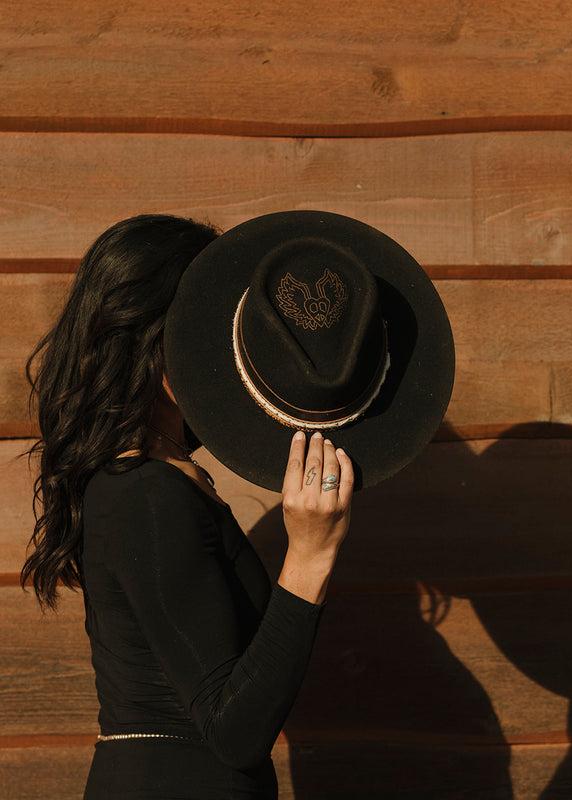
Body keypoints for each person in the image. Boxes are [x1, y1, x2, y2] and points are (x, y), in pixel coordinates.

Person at [19, 213, 353, 799]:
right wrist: (309, 556)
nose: (230, 347)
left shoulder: (162, 481)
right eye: (211, 326)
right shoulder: (145, 494)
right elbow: (233, 731)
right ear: (154, 336)